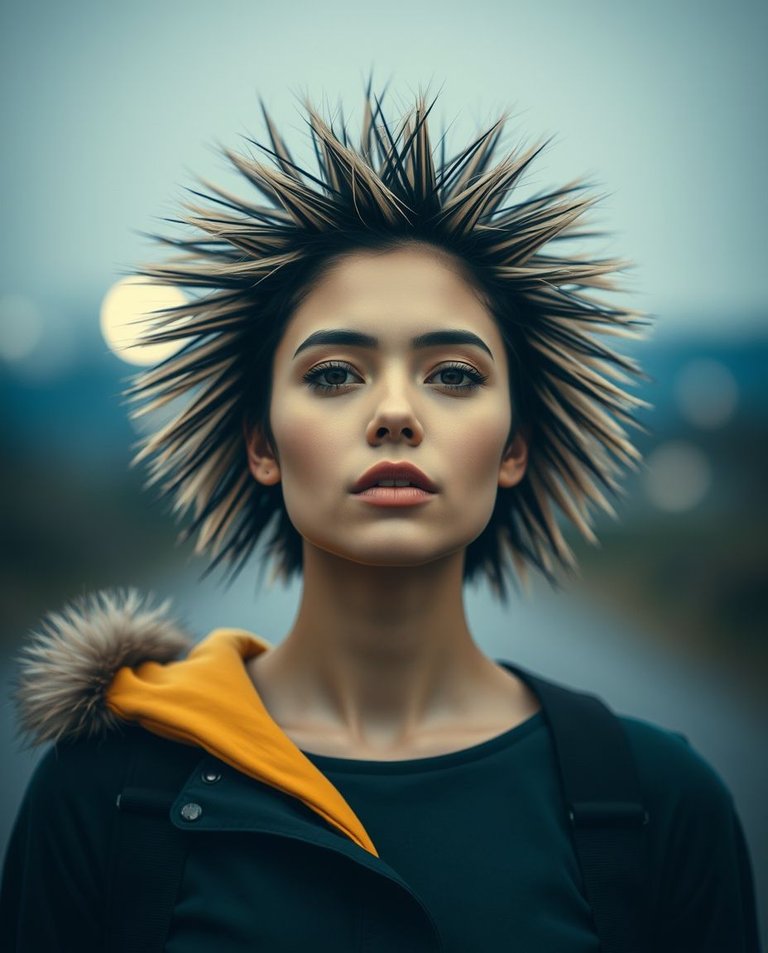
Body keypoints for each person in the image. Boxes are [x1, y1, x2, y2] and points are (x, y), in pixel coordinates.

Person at [0, 83, 760, 953]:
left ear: (514, 447)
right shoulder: (103, 797)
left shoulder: (663, 804)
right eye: (333, 374)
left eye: (454, 374)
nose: (396, 412)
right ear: (262, 443)